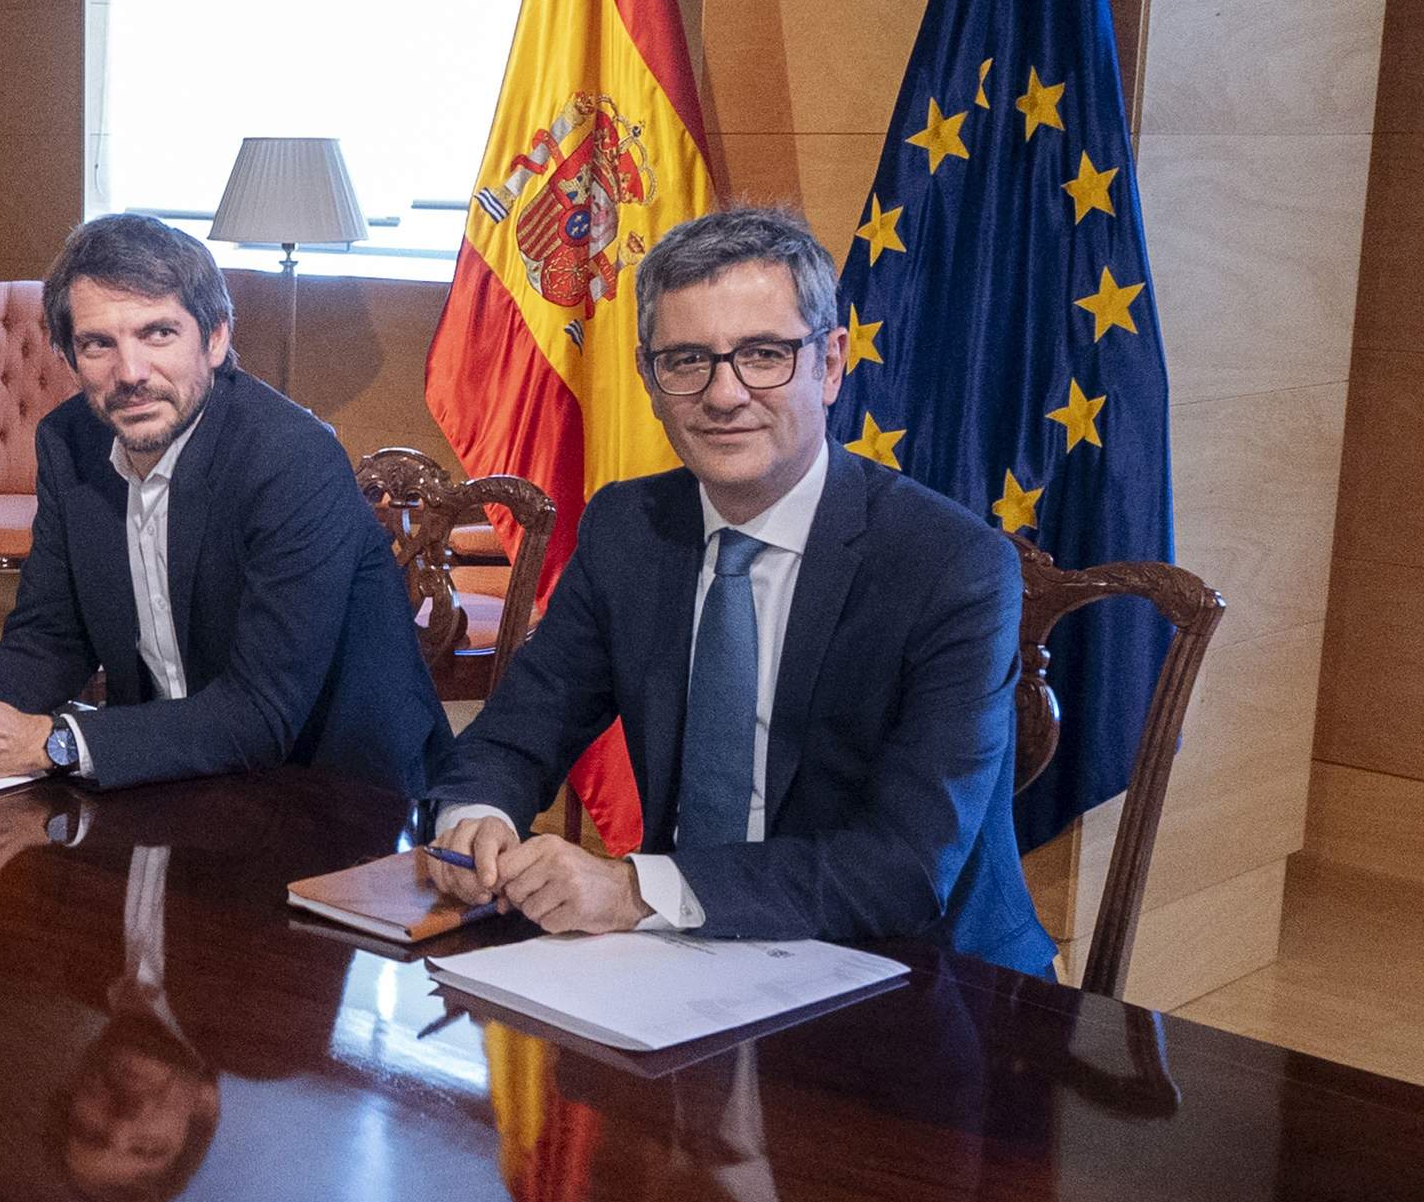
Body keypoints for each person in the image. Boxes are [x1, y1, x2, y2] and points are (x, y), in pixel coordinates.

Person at [425, 206, 1055, 977]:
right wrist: (475, 818)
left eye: (763, 355)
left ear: (829, 364)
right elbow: (519, 732)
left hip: (918, 981)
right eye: (687, 359)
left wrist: (633, 890)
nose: (723, 396)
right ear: (649, 380)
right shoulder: (629, 528)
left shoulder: (951, 567)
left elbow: (905, 868)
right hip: (680, 961)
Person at [0, 213, 449, 795]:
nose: (131, 373)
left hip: (340, 800)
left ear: (216, 338)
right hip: (168, 781)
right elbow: (48, 643)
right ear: (69, 359)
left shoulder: (292, 459)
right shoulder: (70, 443)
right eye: (98, 344)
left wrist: (47, 742)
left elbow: (261, 714)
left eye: (158, 334)